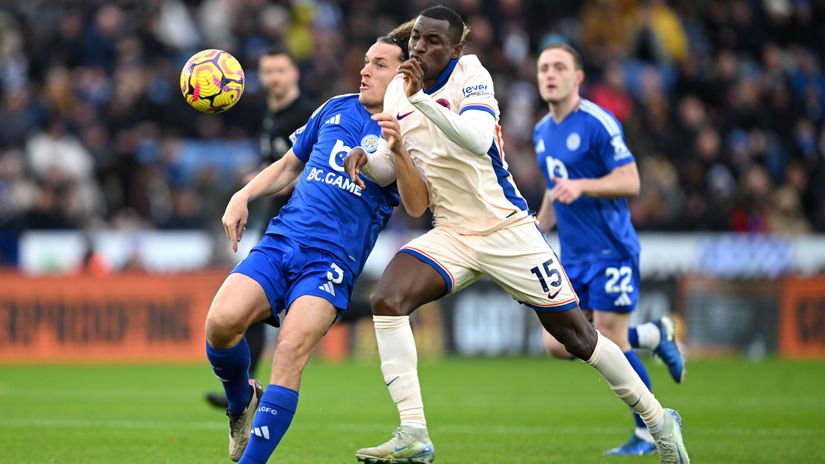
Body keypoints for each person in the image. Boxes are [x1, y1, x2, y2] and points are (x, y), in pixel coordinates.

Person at [345, 6, 689, 464]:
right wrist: (372, 160)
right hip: (451, 232)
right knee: (386, 299)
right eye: (416, 41)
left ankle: (660, 421)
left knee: (578, 338)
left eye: (432, 41)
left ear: (455, 49)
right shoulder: (396, 98)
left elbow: (477, 136)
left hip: (508, 229)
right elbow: (410, 193)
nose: (420, 48)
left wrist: (423, 100)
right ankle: (414, 433)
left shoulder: (471, 74)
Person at [203, 23, 412, 463]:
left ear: (403, 78)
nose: (364, 70)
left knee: (290, 350)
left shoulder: (407, 133)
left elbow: (415, 202)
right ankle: (241, 404)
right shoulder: (334, 108)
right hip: (283, 240)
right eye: (365, 61)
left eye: (379, 65)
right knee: (220, 324)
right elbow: (286, 165)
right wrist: (242, 195)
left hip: (330, 262)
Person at [533, 43, 685, 456]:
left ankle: (648, 433)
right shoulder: (542, 130)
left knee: (612, 340)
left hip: (611, 249)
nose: (550, 73)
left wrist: (585, 186)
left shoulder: (599, 122)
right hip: (574, 254)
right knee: (557, 345)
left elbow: (631, 180)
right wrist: (533, 229)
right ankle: (655, 334)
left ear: (578, 76)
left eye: (559, 67)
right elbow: (554, 187)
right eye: (544, 67)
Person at [205, 45, 316, 411]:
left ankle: (385, 307)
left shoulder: (304, 114)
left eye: (280, 71)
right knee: (255, 300)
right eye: (267, 72)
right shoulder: (271, 115)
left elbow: (308, 170)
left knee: (317, 300)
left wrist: (258, 184)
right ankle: (245, 384)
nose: (273, 78)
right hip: (275, 219)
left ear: (294, 74)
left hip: (303, 223)